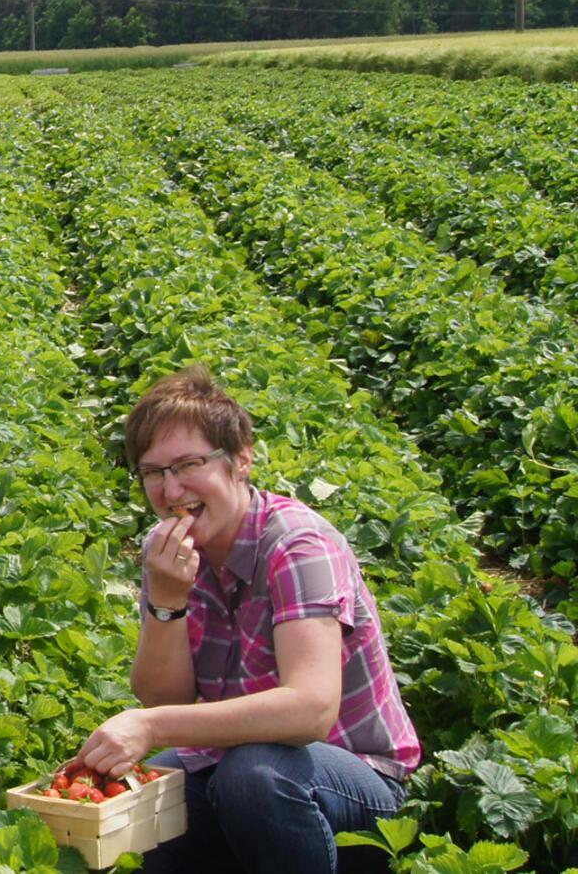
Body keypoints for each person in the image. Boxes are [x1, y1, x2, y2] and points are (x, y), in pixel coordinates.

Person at [71, 367, 419, 873]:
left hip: (354, 780)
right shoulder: (165, 550)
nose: (170, 490)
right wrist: (167, 602)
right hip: (231, 762)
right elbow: (164, 697)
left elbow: (311, 710)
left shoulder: (298, 547)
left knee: (255, 776)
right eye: (152, 472)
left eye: (188, 464)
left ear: (241, 461)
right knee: (137, 801)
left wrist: (149, 727)